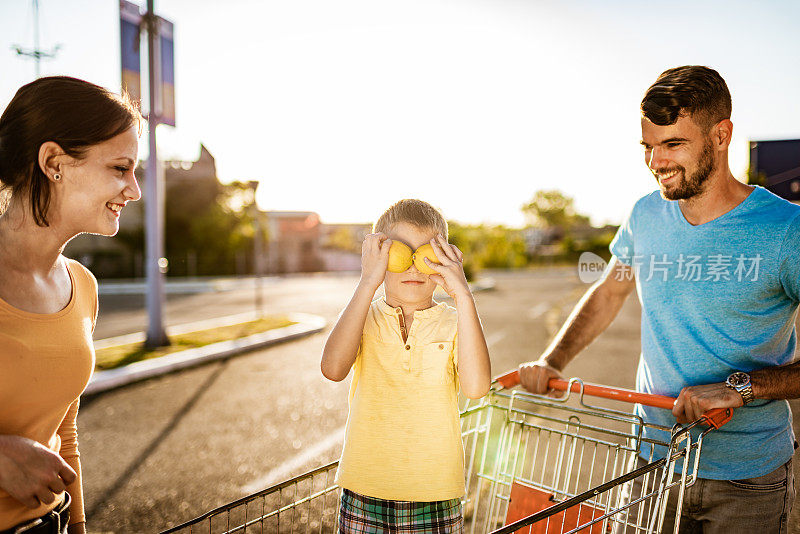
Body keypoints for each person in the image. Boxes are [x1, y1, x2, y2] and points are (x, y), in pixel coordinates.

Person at [518, 65, 799, 533]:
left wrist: (742, 388)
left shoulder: (786, 231)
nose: (656, 162)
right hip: (651, 465)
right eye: (648, 147)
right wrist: (553, 360)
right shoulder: (645, 213)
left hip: (747, 478)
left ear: (721, 135)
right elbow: (610, 290)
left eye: (673, 145)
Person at [0, 76, 141, 534]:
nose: (134, 190)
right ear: (54, 163)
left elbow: (65, 436)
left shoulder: (82, 286)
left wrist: (77, 526)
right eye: (121, 169)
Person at [321, 199, 491, 533]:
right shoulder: (362, 317)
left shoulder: (457, 323)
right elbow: (333, 368)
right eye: (401, 252)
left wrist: (464, 296)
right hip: (364, 489)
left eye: (425, 254)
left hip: (435, 494)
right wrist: (368, 281)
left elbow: (476, 387)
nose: (414, 267)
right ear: (378, 256)